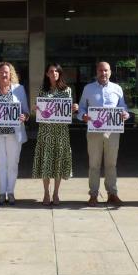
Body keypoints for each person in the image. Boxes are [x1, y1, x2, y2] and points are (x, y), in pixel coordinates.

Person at [78, 61, 130, 206]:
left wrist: (125, 114)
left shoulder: (117, 88)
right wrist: (83, 116)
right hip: (94, 132)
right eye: (101, 70)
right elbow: (81, 108)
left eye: (106, 70)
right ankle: (93, 195)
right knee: (94, 164)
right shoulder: (88, 88)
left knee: (111, 164)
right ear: (96, 72)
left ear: (110, 72)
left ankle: (112, 194)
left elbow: (123, 107)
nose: (103, 73)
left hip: (112, 132)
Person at [0, 62, 30, 207]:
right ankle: (2, 193)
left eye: (6, 72)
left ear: (11, 74)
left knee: (13, 164)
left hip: (14, 134)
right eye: (1, 72)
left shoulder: (19, 89)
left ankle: (11, 192)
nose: (3, 74)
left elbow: (26, 111)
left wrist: (24, 116)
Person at [32, 63, 77, 206]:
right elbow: (38, 110)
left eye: (56, 71)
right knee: (46, 161)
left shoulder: (67, 90)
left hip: (61, 132)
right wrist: (35, 108)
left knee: (58, 161)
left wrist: (73, 109)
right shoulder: (42, 90)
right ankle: (46, 193)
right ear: (47, 74)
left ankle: (56, 193)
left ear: (60, 73)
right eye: (51, 71)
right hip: (45, 132)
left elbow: (68, 113)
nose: (54, 73)